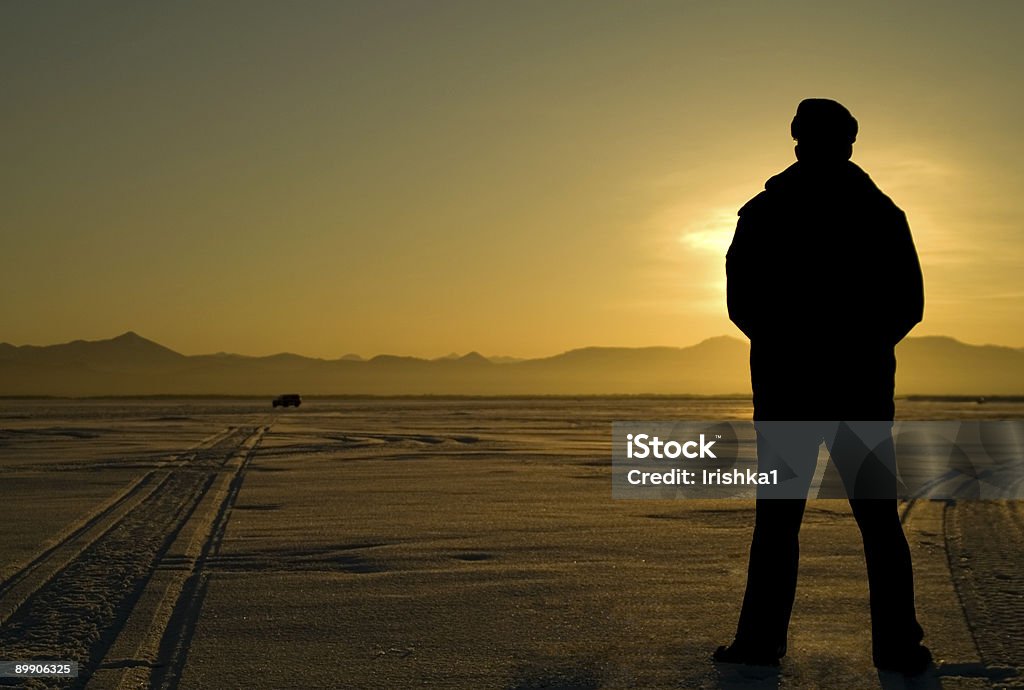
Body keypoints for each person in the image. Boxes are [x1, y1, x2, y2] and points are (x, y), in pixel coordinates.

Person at [713, 98, 931, 675]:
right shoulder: (871, 211)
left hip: (799, 387)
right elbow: (907, 303)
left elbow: (745, 303)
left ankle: (765, 643)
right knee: (863, 520)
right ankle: (895, 647)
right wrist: (854, 346)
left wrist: (794, 346)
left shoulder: (772, 210)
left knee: (792, 520)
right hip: (841, 386)